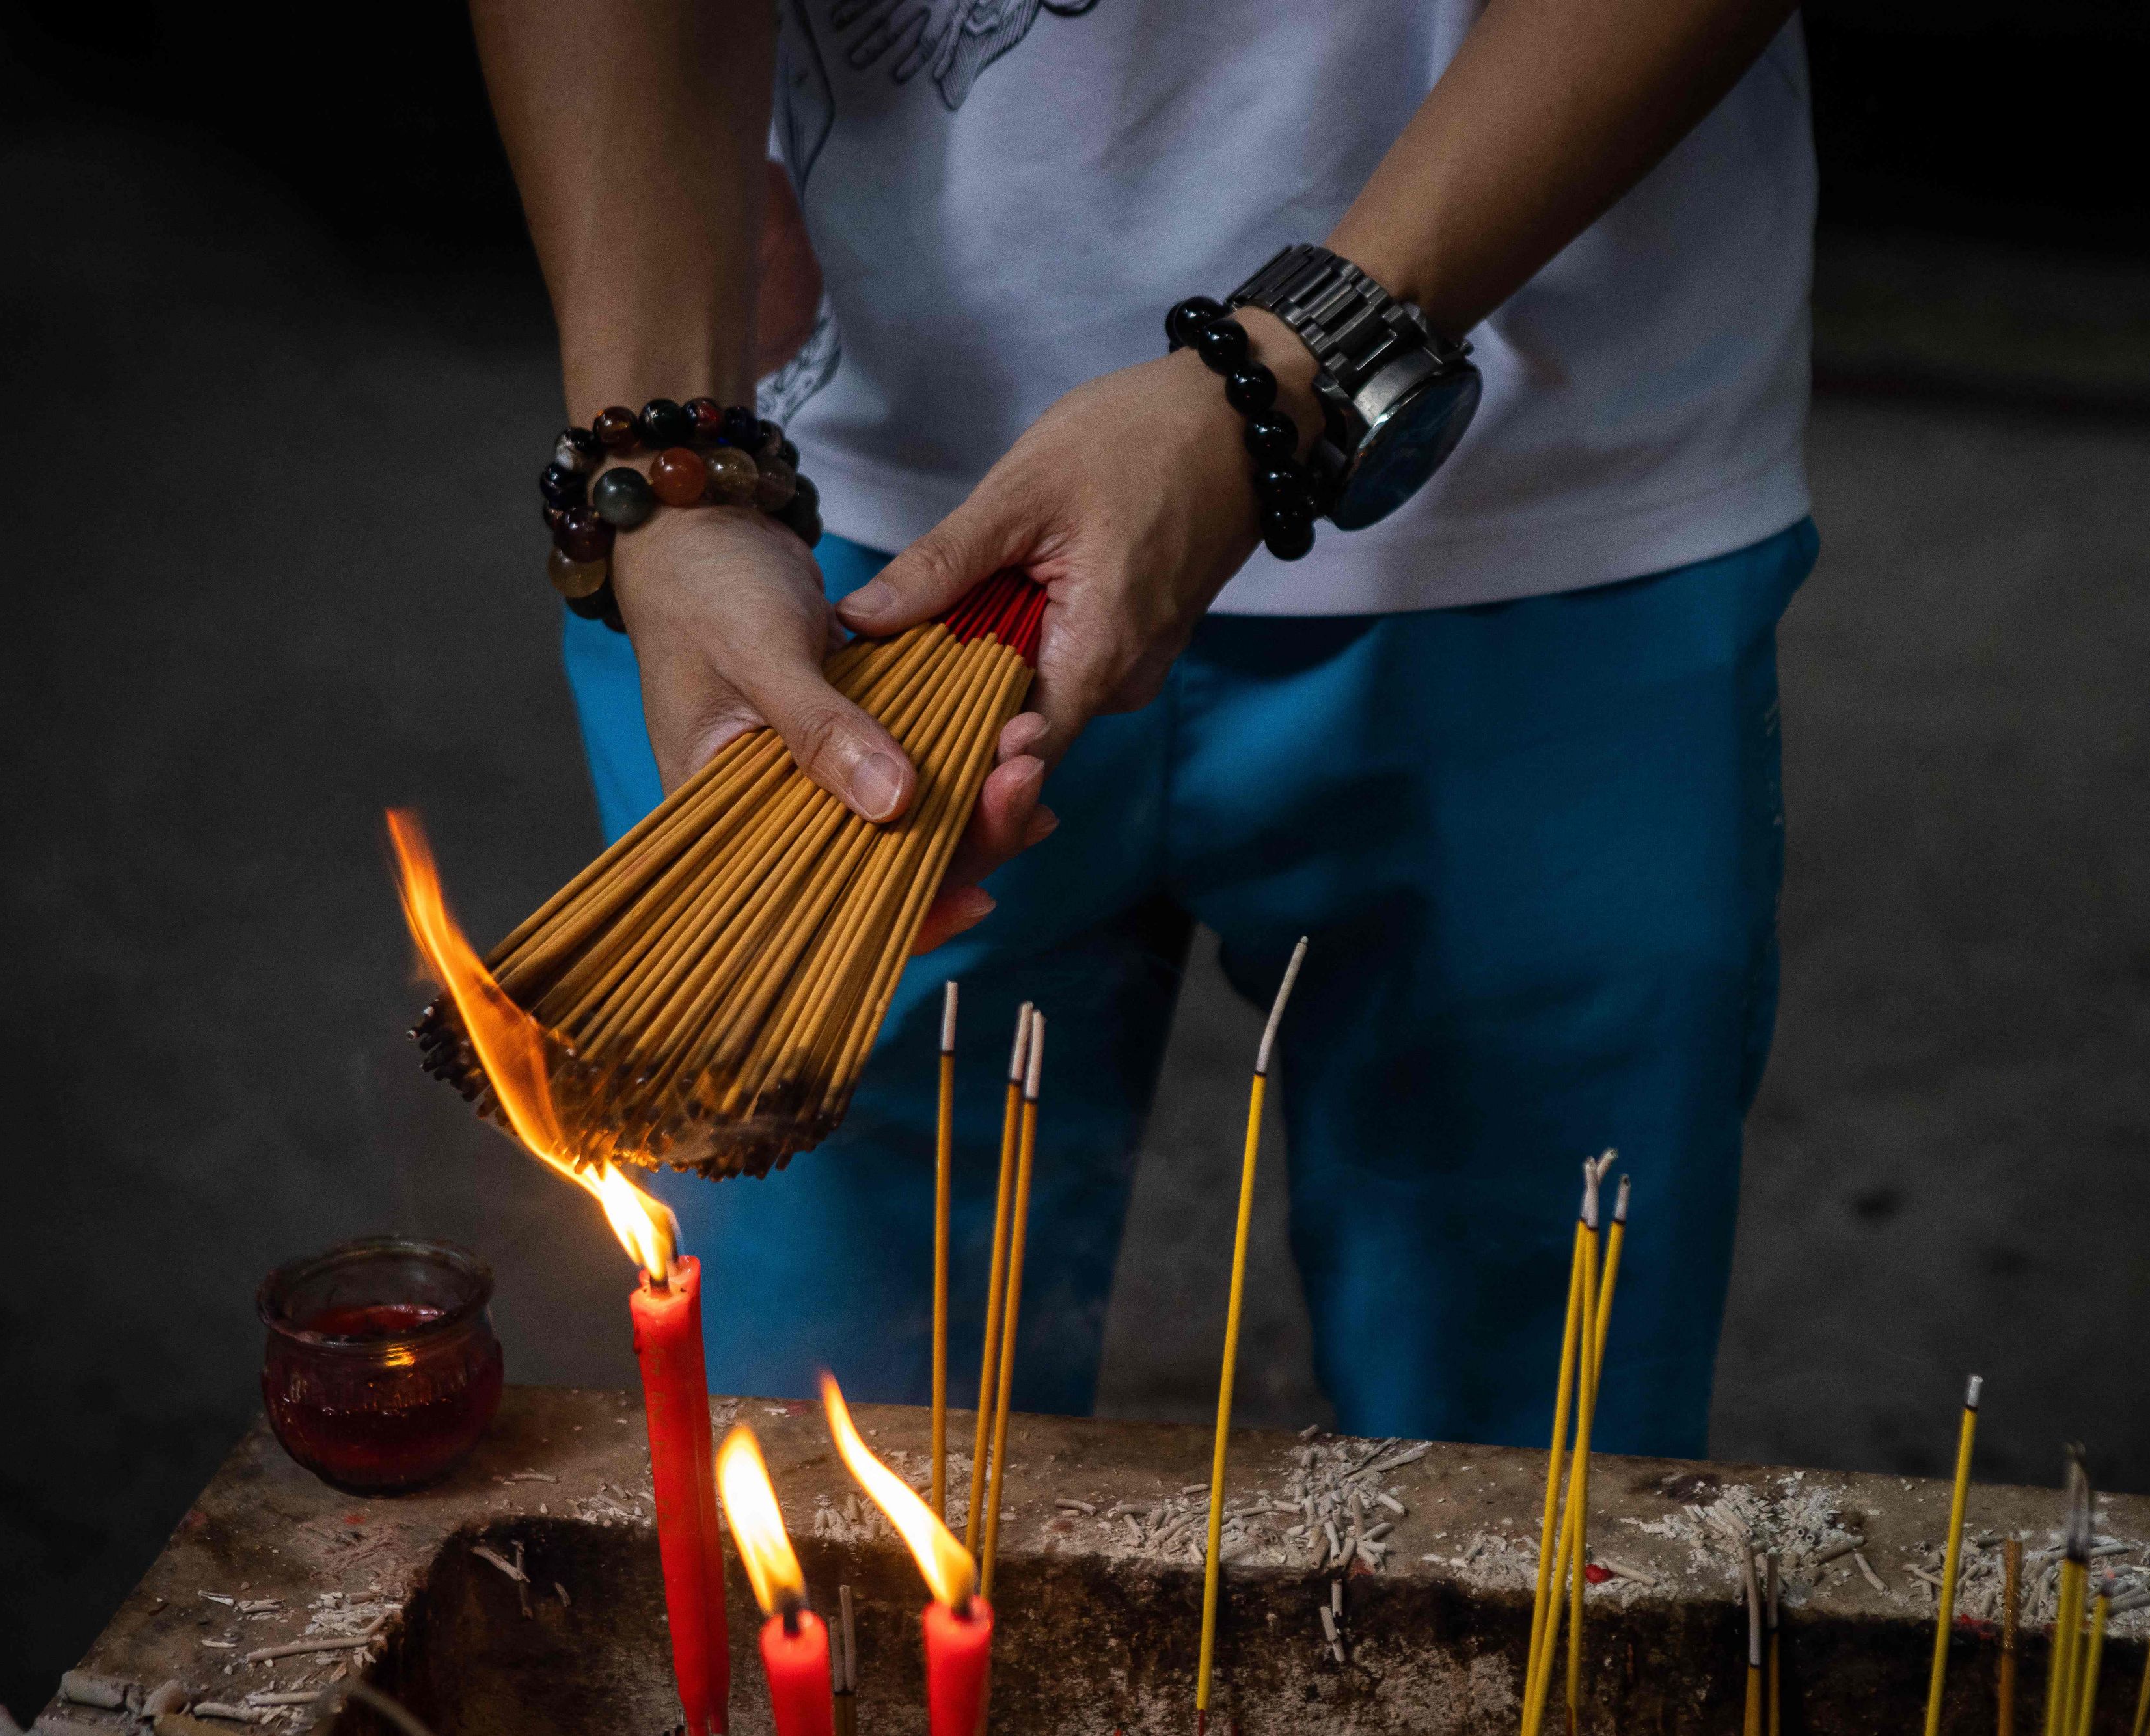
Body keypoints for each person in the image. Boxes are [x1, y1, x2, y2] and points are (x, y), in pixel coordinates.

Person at [474, 0, 1816, 1458]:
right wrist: (662, 474)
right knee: (830, 1476)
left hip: (1551, 490)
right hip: (831, 546)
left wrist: (1284, 381)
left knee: (1532, 1476)